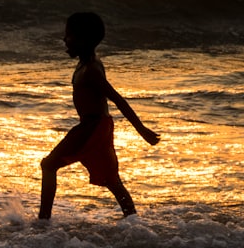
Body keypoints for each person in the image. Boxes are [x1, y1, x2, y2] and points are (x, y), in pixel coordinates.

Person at [38, 12, 160, 220]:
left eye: (69, 36)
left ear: (83, 40)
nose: (64, 39)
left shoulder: (92, 70)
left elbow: (118, 99)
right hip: (98, 126)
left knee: (48, 165)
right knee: (112, 180)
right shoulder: (87, 64)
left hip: (92, 127)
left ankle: (43, 220)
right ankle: (133, 221)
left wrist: (142, 130)